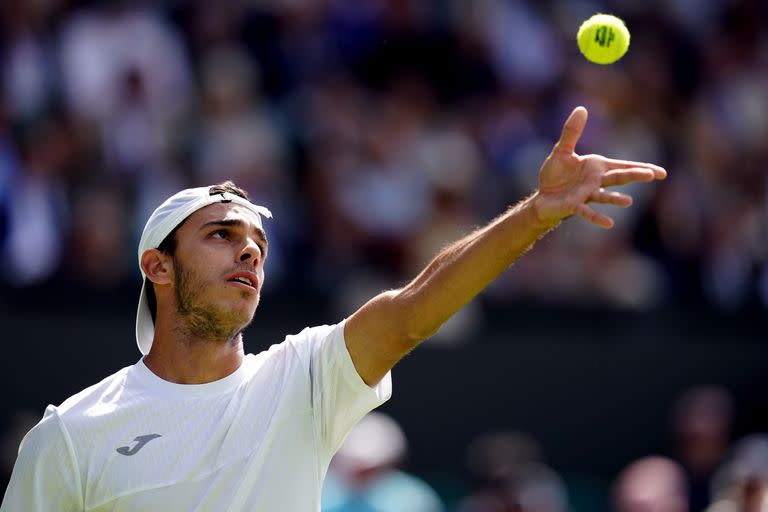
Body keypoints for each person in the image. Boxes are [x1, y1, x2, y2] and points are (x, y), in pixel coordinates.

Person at [1, 106, 666, 511]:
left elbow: (413, 309)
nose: (249, 254)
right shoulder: (69, 437)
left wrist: (535, 215)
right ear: (157, 266)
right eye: (221, 236)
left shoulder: (302, 378)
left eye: (257, 242)